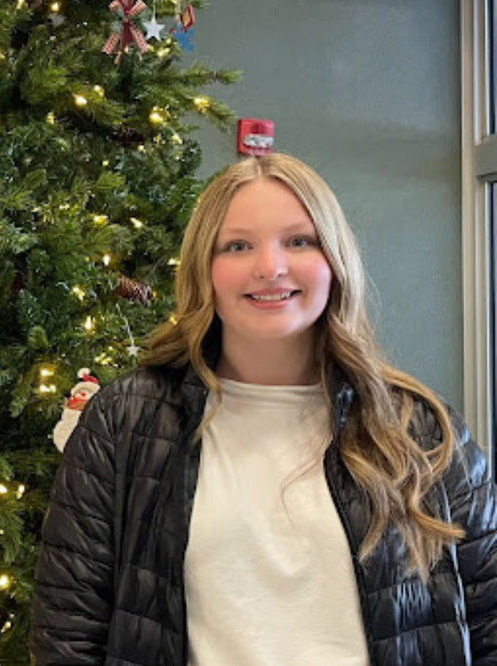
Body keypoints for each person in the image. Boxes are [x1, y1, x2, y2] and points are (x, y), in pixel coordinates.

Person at [29, 153, 497, 666]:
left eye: (298, 241)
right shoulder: (125, 421)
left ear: (335, 259)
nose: (270, 267)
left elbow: (488, 620)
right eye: (237, 245)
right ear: (204, 268)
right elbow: (67, 634)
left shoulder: (422, 430)